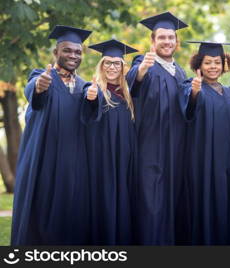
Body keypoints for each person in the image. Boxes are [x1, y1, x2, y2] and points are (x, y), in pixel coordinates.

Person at [11, 25, 92, 245]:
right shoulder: (42, 76)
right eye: (67, 50)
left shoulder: (85, 86)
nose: (73, 55)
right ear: (56, 53)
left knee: (70, 214)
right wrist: (39, 86)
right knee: (40, 212)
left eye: (77, 52)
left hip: (72, 164)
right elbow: (33, 91)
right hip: (44, 160)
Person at [126, 12, 188, 245]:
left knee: (172, 203)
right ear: (153, 41)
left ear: (176, 42)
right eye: (161, 37)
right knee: (151, 205)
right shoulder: (144, 64)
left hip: (176, 151)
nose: (167, 41)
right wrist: (141, 70)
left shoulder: (180, 72)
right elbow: (132, 81)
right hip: (150, 149)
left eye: (171, 37)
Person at [178, 41, 230, 245]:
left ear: (224, 64)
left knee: (225, 204)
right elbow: (188, 111)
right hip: (202, 160)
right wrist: (195, 92)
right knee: (203, 204)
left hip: (227, 162)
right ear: (199, 65)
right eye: (207, 62)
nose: (213, 66)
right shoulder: (190, 85)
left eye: (217, 62)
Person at [82, 39, 138, 245]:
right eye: (108, 62)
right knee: (105, 201)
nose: (112, 67)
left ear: (123, 67)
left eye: (117, 63)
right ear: (101, 65)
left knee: (123, 201)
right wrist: (89, 98)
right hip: (103, 160)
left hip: (125, 159)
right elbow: (87, 114)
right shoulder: (96, 90)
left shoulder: (128, 93)